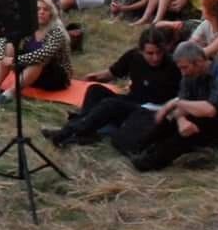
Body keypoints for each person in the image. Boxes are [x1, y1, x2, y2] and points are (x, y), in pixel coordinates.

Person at [42, 27, 182, 147]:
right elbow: (111, 73)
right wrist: (92, 77)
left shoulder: (173, 66)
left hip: (148, 111)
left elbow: (181, 97)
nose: (156, 58)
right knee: (95, 90)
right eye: (150, 53)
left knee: (110, 104)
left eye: (159, 53)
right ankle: (85, 129)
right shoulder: (133, 56)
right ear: (141, 51)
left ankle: (67, 132)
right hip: (132, 100)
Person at [121, 42, 218, 171]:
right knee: (172, 119)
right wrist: (181, 120)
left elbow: (210, 110)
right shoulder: (189, 76)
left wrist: (176, 103)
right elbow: (184, 103)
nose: (182, 73)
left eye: (185, 68)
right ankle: (140, 147)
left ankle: (150, 162)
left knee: (193, 126)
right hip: (207, 120)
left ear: (199, 62)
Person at [0, 0, 72, 100]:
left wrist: (14, 60)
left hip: (55, 76)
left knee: (39, 61)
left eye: (45, 10)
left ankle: (10, 94)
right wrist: (2, 57)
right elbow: (3, 40)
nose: (41, 12)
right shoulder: (27, 26)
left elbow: (43, 54)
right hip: (30, 70)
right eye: (38, 9)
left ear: (51, 14)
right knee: (8, 47)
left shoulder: (57, 31)